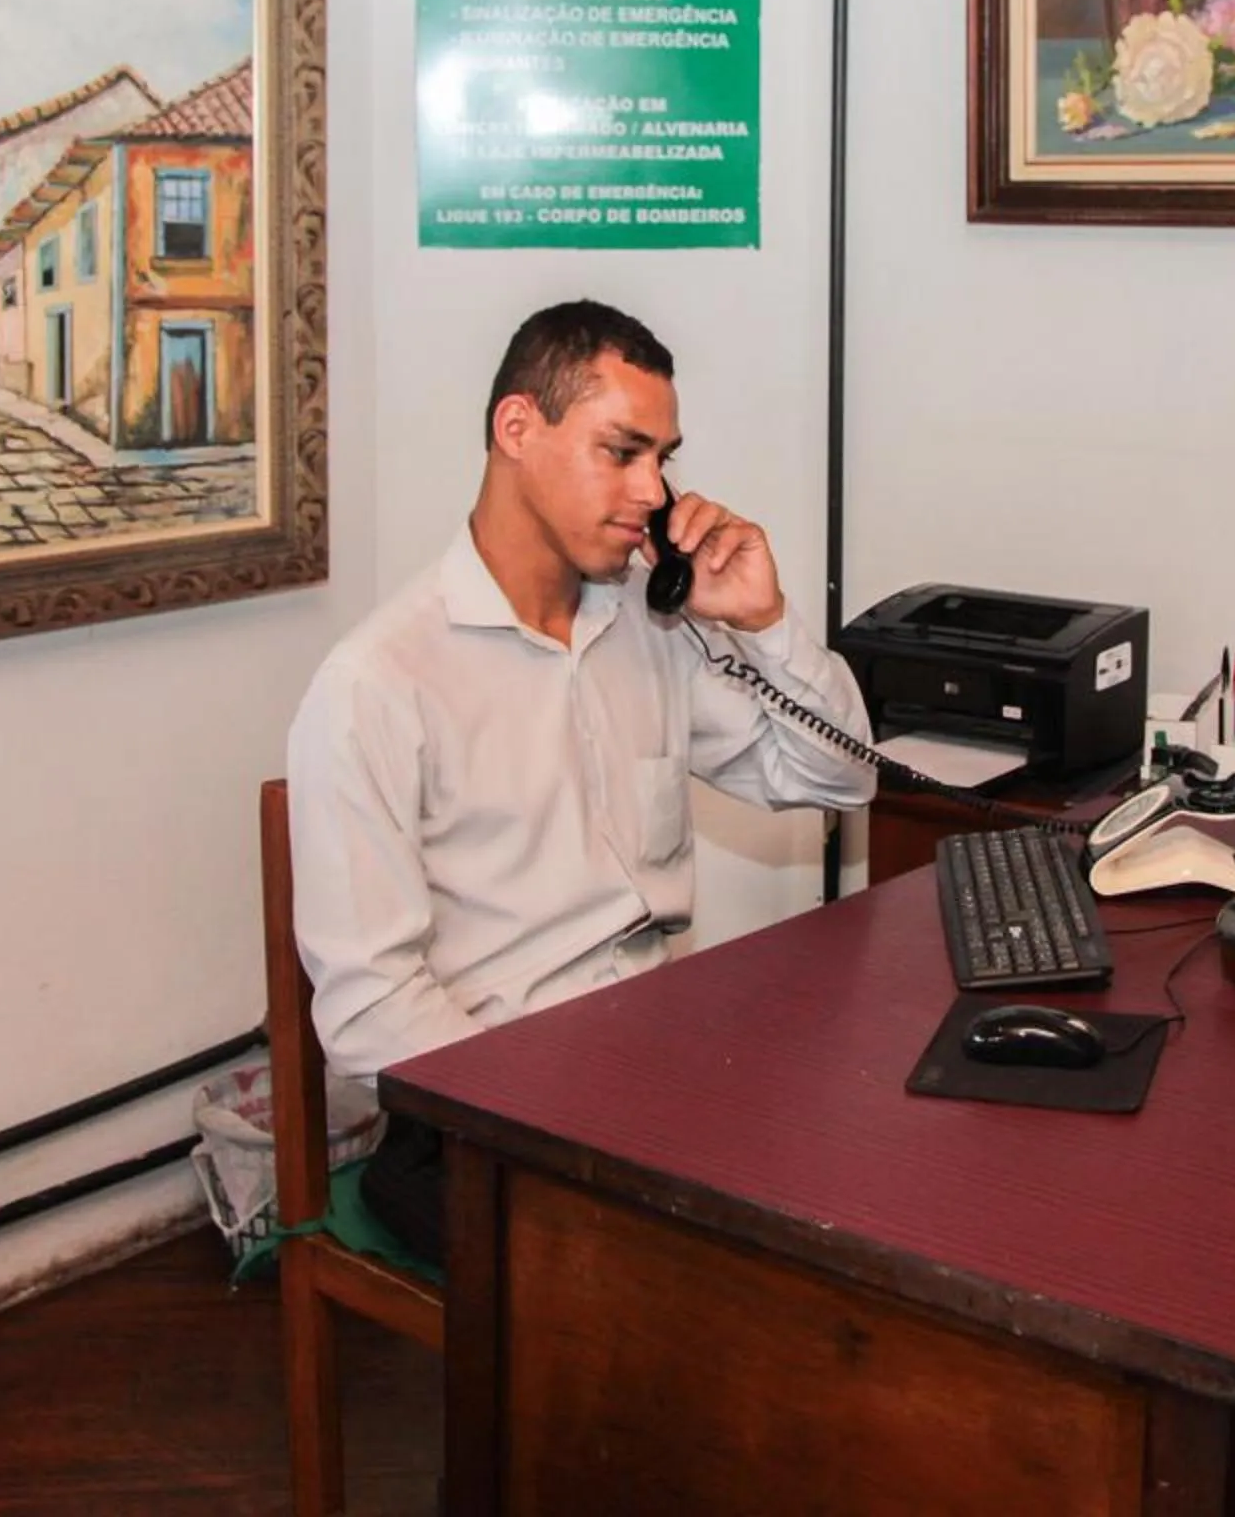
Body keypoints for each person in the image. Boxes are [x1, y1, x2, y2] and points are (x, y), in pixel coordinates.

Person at [285, 300, 875, 1260]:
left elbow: (837, 780)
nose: (654, 490)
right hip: (478, 1118)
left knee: (854, 1171)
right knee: (722, 1274)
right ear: (517, 429)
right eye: (621, 452)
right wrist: (551, 1110)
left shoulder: (649, 628)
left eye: (663, 457)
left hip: (649, 1062)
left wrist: (764, 624)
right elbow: (368, 1012)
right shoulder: (379, 685)